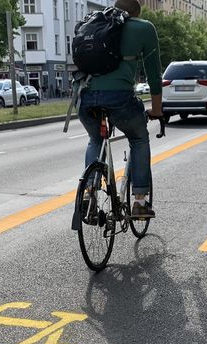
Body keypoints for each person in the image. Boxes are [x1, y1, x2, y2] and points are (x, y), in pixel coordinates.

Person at [77, 0, 162, 218]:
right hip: (120, 99)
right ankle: (140, 202)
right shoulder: (144, 28)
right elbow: (154, 74)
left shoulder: (93, 24)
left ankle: (89, 195)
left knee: (95, 140)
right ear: (136, 12)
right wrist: (157, 109)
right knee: (139, 139)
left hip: (86, 98)